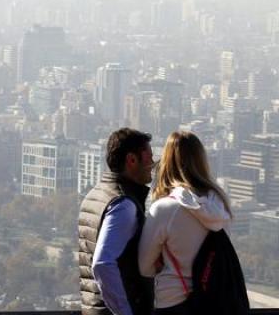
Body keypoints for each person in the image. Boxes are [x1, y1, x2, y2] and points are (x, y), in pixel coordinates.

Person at [138, 131, 234, 315]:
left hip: (173, 301)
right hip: (216, 300)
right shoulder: (220, 204)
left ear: (167, 162)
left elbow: (144, 266)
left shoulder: (164, 209)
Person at [78, 128, 155, 315]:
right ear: (132, 160)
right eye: (149, 157)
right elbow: (102, 263)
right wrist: (124, 311)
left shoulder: (95, 194)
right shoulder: (124, 205)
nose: (152, 164)